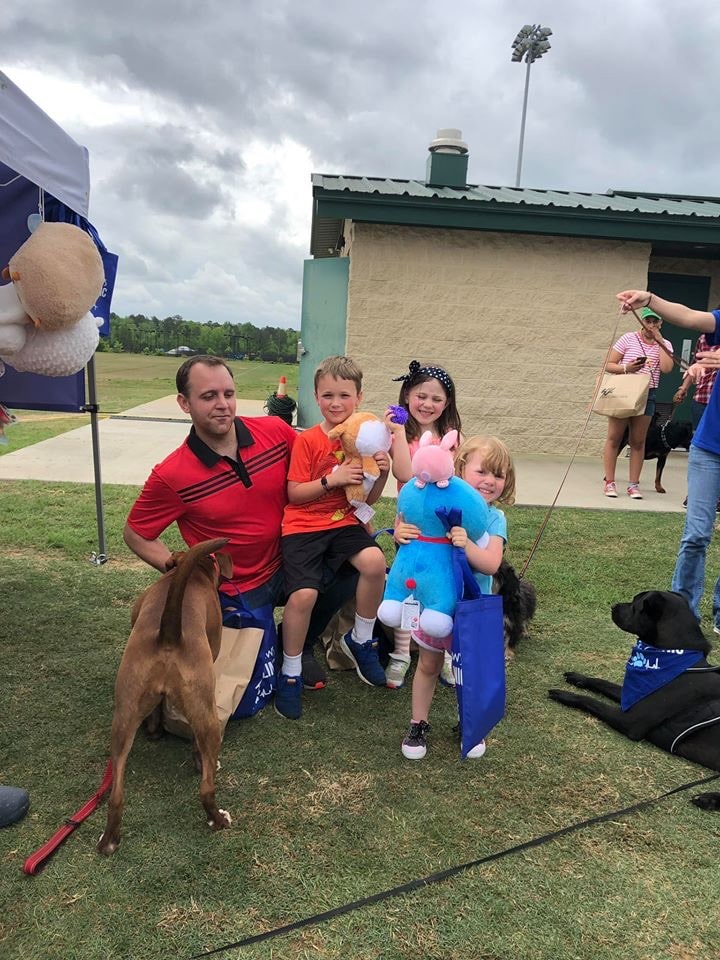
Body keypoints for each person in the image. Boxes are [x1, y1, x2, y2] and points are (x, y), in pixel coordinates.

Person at [124, 356, 358, 700]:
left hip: (294, 559)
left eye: (228, 394)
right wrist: (186, 571)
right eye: (208, 396)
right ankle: (277, 641)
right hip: (240, 587)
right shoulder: (171, 474)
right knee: (247, 695)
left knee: (355, 564)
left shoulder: (275, 432)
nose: (222, 404)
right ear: (184, 403)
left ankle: (302, 643)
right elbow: (136, 533)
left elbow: (313, 469)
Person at [277, 355, 391, 720]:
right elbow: (294, 493)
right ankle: (290, 670)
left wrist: (382, 474)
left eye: (344, 395)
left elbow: (367, 501)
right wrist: (332, 479)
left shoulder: (365, 442)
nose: (336, 403)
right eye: (328, 395)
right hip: (303, 527)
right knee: (304, 595)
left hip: (343, 523)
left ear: (359, 398)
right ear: (316, 397)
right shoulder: (309, 440)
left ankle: (361, 638)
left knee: (374, 562)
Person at [397, 435, 516, 760]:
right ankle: (418, 724)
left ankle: (470, 724)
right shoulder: (435, 502)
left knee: (468, 672)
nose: (490, 481)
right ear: (459, 469)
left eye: (499, 475)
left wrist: (467, 544)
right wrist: (400, 532)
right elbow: (408, 521)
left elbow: (491, 564)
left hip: (471, 612)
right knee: (428, 665)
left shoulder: (494, 518)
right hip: (434, 607)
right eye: (482, 471)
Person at [616, 290, 720, 628]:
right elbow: (689, 316)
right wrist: (649, 299)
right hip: (709, 448)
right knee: (696, 535)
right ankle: (682, 613)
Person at [384, 360, 463, 690]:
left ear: (447, 403)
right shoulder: (400, 435)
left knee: (442, 589)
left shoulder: (452, 439)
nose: (428, 404)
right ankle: (402, 653)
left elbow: (457, 483)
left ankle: (443, 651)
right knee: (409, 589)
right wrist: (398, 432)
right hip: (411, 528)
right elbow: (404, 473)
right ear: (406, 396)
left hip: (441, 529)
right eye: (421, 396)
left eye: (436, 398)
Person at [601, 306, 674, 500]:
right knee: (615, 438)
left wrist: (659, 341)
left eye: (655, 321)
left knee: (638, 441)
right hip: (625, 391)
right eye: (647, 321)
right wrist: (627, 367)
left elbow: (667, 368)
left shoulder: (665, 343)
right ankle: (610, 482)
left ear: (661, 323)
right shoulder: (628, 338)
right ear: (641, 321)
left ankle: (633, 485)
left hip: (648, 393)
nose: (651, 325)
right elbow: (609, 364)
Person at [673, 329, 720, 429]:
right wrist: (683, 388)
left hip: (717, 400)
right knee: (698, 436)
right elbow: (694, 367)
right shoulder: (703, 338)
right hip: (702, 398)